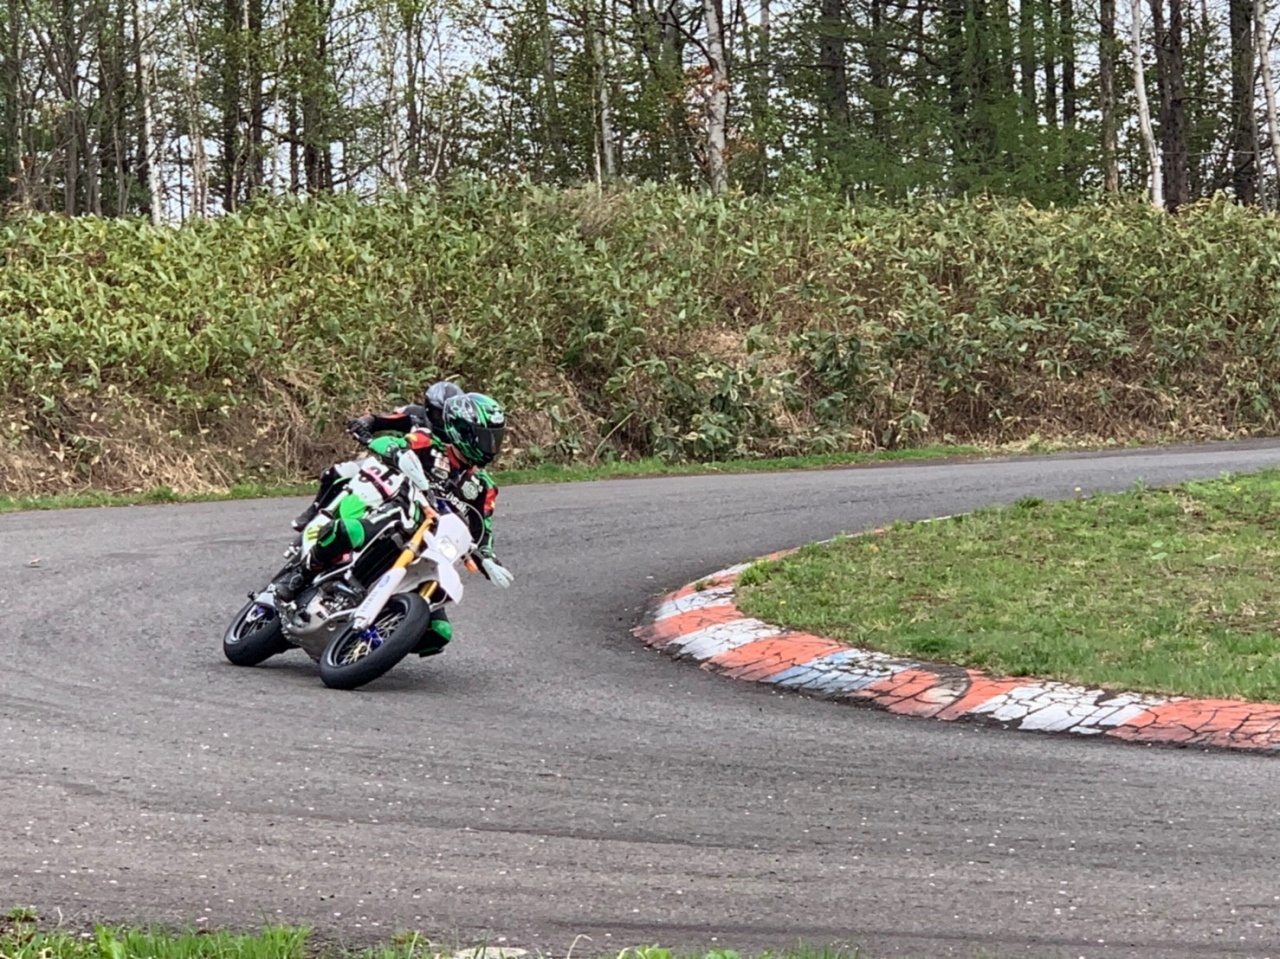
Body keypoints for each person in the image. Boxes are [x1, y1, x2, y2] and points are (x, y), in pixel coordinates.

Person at [275, 391, 513, 658]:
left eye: (496, 439)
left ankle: (372, 640)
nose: (491, 446)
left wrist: (488, 558)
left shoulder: (484, 487)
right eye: (485, 438)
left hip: (433, 545)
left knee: (439, 632)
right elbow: (393, 442)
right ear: (463, 431)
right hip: (398, 517)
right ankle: (299, 577)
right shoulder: (428, 444)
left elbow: (482, 528)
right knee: (346, 531)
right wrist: (391, 450)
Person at [291, 380, 464, 533]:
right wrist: (363, 423)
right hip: (391, 466)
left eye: (449, 415)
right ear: (428, 408)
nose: (444, 420)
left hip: (428, 484)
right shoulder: (414, 414)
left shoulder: (463, 432)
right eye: (439, 414)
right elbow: (381, 419)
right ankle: (314, 512)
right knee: (336, 473)